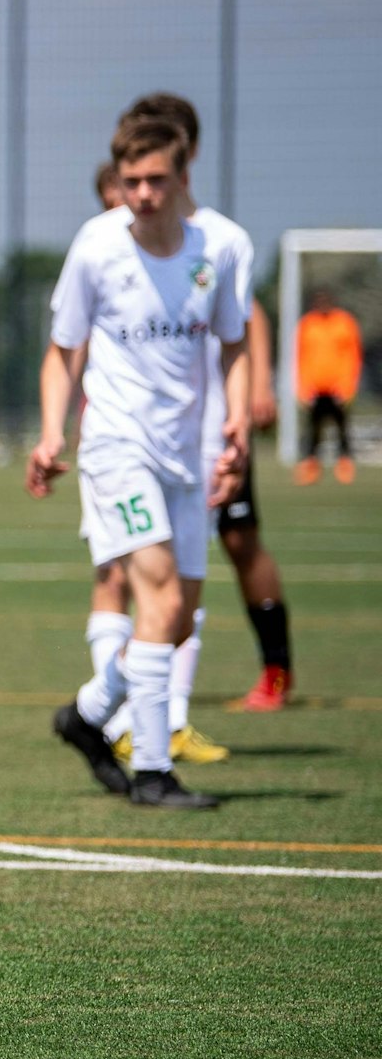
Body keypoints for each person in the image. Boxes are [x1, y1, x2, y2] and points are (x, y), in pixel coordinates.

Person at [28, 117, 250, 809]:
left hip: (186, 454)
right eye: (131, 182)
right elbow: (64, 350)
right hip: (116, 448)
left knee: (179, 616)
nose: (144, 194)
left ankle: (87, 714)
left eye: (157, 180)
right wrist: (50, 433)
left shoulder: (223, 246)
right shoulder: (96, 247)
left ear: (184, 177)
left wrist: (238, 419)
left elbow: (235, 342)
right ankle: (153, 770)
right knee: (154, 596)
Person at [296, 286, 362, 486]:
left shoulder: (345, 323)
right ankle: (310, 467)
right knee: (313, 430)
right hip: (315, 389)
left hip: (339, 388)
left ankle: (345, 465)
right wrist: (303, 387)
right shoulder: (307, 324)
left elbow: (353, 356)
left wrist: (347, 386)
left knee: (342, 428)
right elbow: (301, 357)